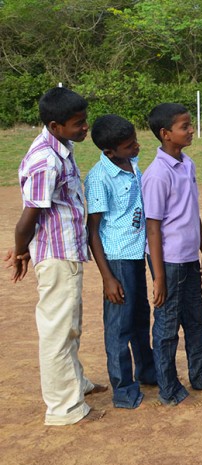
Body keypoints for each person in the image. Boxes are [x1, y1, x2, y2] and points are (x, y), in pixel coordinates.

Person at [6, 87, 106, 425]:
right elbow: (28, 218)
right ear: (54, 125)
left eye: (84, 121)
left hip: (67, 250)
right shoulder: (45, 161)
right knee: (57, 331)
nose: (84, 128)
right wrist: (21, 251)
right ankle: (64, 408)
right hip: (57, 254)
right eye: (78, 123)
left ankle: (75, 383)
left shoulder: (62, 146)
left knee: (70, 325)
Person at [143, 103, 202, 405]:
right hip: (169, 262)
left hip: (189, 257)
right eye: (184, 126)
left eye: (190, 124)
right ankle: (169, 388)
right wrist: (159, 275)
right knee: (166, 326)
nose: (191, 130)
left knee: (195, 319)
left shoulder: (187, 164)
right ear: (166, 134)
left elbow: (192, 211)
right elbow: (152, 228)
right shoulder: (156, 175)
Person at [85, 114, 157, 409]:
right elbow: (93, 231)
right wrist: (107, 277)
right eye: (129, 146)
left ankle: (147, 371)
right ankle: (123, 389)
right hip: (116, 260)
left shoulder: (132, 165)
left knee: (140, 318)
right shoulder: (99, 178)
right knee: (119, 327)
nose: (137, 147)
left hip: (135, 254)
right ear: (109, 152)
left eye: (135, 141)